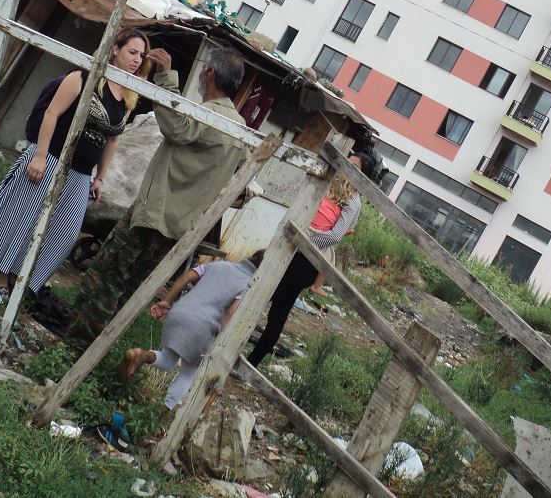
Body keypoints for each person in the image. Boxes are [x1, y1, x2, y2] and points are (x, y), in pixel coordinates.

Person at [65, 46, 248, 350]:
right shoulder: (240, 130)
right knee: (132, 288)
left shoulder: (210, 117)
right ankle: (99, 351)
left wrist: (166, 78)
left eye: (203, 68)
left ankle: (74, 347)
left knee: (106, 279)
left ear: (210, 73)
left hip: (153, 215)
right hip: (180, 228)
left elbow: (178, 128)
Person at [0, 28, 151, 299]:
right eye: (132, 52)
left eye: (141, 55)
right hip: (51, 161)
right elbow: (52, 113)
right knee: (24, 219)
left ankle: (22, 279)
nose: (137, 59)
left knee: (63, 233)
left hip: (80, 176)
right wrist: (40, 155)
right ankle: (0, 280)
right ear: (115, 50)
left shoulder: (129, 97)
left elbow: (113, 141)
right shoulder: (82, 78)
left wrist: (100, 177)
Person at [247, 148, 383, 368]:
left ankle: (250, 362)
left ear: (361, 176)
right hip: (291, 248)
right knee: (260, 296)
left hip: (306, 259)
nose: (345, 169)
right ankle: (238, 352)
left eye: (353, 167)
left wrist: (302, 239)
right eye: (346, 163)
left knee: (274, 308)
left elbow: (334, 236)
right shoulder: (329, 181)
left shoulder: (352, 202)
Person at [119, 251, 265, 411]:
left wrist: (167, 301)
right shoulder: (248, 285)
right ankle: (161, 412)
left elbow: (186, 277)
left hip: (179, 313)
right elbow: (230, 313)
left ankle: (142, 355)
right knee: (188, 373)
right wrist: (223, 342)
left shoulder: (220, 264)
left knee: (168, 360)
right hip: (202, 328)